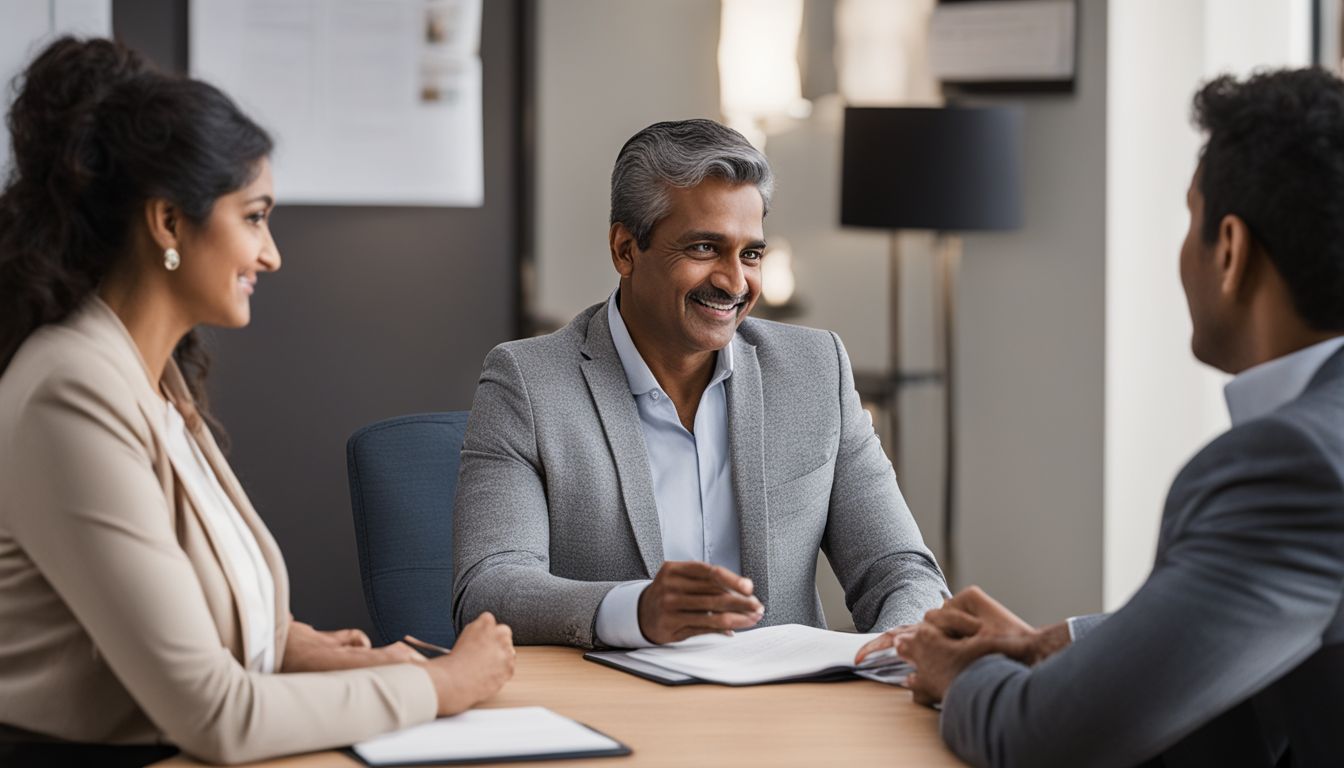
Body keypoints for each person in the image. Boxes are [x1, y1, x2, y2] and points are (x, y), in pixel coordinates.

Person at [0, 38, 514, 765]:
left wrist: (297, 649)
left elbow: (173, 617)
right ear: (169, 223)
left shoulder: (151, 381)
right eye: (253, 217)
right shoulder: (73, 393)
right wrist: (444, 684)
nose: (270, 254)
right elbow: (216, 714)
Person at [856, 68, 1344, 767]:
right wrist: (1062, 645)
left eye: (1188, 219)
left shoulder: (1296, 463)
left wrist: (954, 669)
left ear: (1230, 251)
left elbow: (1036, 742)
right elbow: (1262, 625)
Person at [453, 118, 947, 649]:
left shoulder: (815, 371)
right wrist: (635, 610)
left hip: (784, 715)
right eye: (704, 248)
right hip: (619, 710)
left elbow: (900, 569)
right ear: (625, 249)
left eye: (750, 254)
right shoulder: (528, 383)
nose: (734, 282)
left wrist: (899, 647)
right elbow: (490, 587)